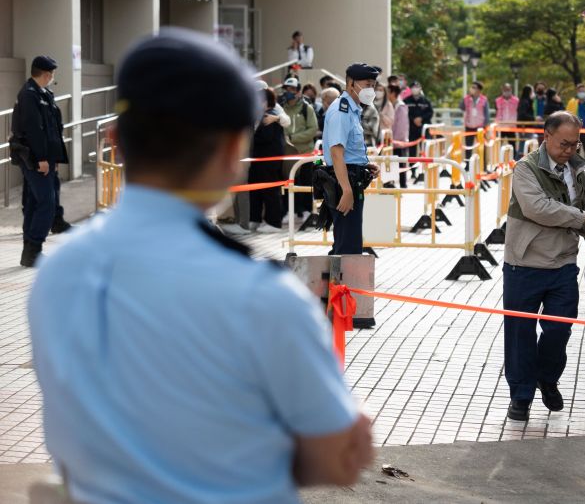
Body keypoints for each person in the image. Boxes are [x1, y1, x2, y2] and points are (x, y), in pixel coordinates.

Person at [28, 28, 373, 504]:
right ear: (234, 153)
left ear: (115, 143)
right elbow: (340, 456)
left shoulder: (59, 272)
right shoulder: (266, 298)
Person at [503, 111, 585, 421]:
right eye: (564, 143)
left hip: (563, 264)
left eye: (575, 144)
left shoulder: (578, 170)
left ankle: (547, 378)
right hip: (524, 263)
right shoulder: (526, 168)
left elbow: (582, 209)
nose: (570, 150)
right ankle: (521, 396)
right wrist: (584, 220)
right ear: (545, 136)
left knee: (559, 328)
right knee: (520, 333)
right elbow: (539, 209)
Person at [10, 56, 70, 267]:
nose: (53, 77)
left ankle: (30, 254)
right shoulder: (29, 95)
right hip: (36, 160)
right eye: (52, 74)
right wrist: (42, 160)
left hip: (47, 159)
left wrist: (55, 158)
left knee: (35, 203)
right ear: (46, 74)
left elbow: (53, 129)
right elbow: (33, 130)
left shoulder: (44, 94)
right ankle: (34, 249)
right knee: (47, 202)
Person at [320, 63, 381, 255]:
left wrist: (364, 163)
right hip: (344, 181)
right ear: (352, 83)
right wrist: (346, 190)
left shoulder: (353, 109)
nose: (371, 89)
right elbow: (337, 153)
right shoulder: (342, 111)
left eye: (374, 85)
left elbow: (346, 151)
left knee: (348, 237)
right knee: (348, 243)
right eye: (368, 84)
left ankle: (338, 282)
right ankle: (342, 284)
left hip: (351, 176)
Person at [249, 88, 286, 233]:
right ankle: (255, 219)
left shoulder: (270, 116)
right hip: (259, 160)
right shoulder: (262, 116)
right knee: (255, 191)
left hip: (269, 161)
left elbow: (265, 138)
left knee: (270, 191)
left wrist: (249, 136)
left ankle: (274, 223)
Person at [281, 77, 318, 221]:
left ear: (297, 91)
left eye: (291, 89)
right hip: (289, 153)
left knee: (306, 182)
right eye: (286, 89)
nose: (288, 92)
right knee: (290, 183)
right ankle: (291, 212)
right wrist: (287, 139)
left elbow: (313, 129)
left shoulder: (306, 108)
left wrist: (293, 137)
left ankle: (307, 210)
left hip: (305, 152)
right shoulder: (282, 108)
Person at [403, 81, 433, 162]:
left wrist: (421, 119)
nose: (415, 89)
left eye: (417, 87)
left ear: (420, 89)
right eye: (413, 87)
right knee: (412, 150)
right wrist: (413, 119)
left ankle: (423, 170)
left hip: (424, 129)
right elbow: (404, 113)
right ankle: (413, 171)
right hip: (411, 129)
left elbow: (430, 113)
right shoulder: (406, 101)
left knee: (425, 149)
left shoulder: (426, 101)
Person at [390, 84, 410, 188]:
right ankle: (392, 184)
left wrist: (396, 141)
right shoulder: (391, 105)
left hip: (398, 142)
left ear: (393, 93)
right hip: (392, 141)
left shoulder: (400, 106)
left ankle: (403, 186)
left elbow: (401, 126)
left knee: (401, 165)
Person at [460, 81, 490, 149]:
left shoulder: (484, 100)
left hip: (480, 127)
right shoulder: (466, 98)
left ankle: (483, 160)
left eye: (474, 88)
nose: (472, 89)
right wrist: (466, 97)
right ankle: (467, 159)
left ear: (479, 90)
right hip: (469, 126)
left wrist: (486, 126)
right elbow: (461, 107)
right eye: (471, 87)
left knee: (482, 146)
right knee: (468, 146)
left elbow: (487, 114)